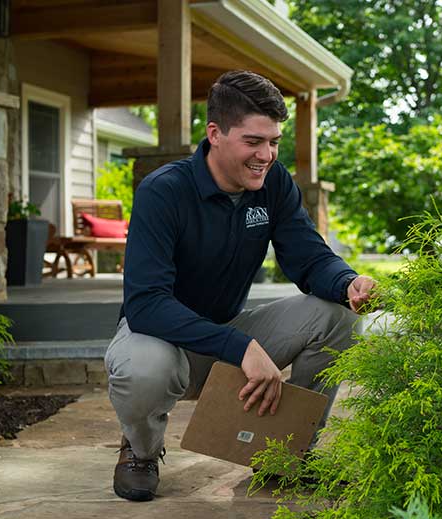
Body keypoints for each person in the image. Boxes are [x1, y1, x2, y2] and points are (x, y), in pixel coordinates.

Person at [105, 70, 376, 502]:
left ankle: (286, 452)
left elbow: (308, 256)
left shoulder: (273, 185)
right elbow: (146, 305)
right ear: (215, 133)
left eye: (273, 142)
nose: (266, 155)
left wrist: (348, 282)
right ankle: (140, 452)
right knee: (144, 368)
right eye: (253, 141)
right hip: (161, 339)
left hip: (226, 330)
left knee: (336, 315)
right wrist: (241, 348)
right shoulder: (164, 192)